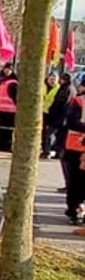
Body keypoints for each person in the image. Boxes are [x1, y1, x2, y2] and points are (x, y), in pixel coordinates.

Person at [61, 74, 85, 224]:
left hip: (75, 146)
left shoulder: (78, 101)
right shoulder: (78, 101)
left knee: (75, 181)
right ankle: (77, 209)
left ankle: (74, 209)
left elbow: (70, 122)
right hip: (77, 146)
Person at [0, 64, 18, 151]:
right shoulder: (3, 81)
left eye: (9, 69)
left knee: (6, 129)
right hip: (5, 109)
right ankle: (3, 145)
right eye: (6, 69)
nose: (7, 71)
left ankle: (4, 145)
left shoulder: (10, 82)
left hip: (9, 110)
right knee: (4, 129)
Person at [42, 73, 61, 158]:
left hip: (52, 113)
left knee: (49, 134)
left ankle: (47, 151)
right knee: (43, 133)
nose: (52, 81)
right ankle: (44, 149)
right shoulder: (43, 86)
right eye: (51, 78)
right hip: (42, 112)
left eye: (54, 79)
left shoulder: (58, 88)